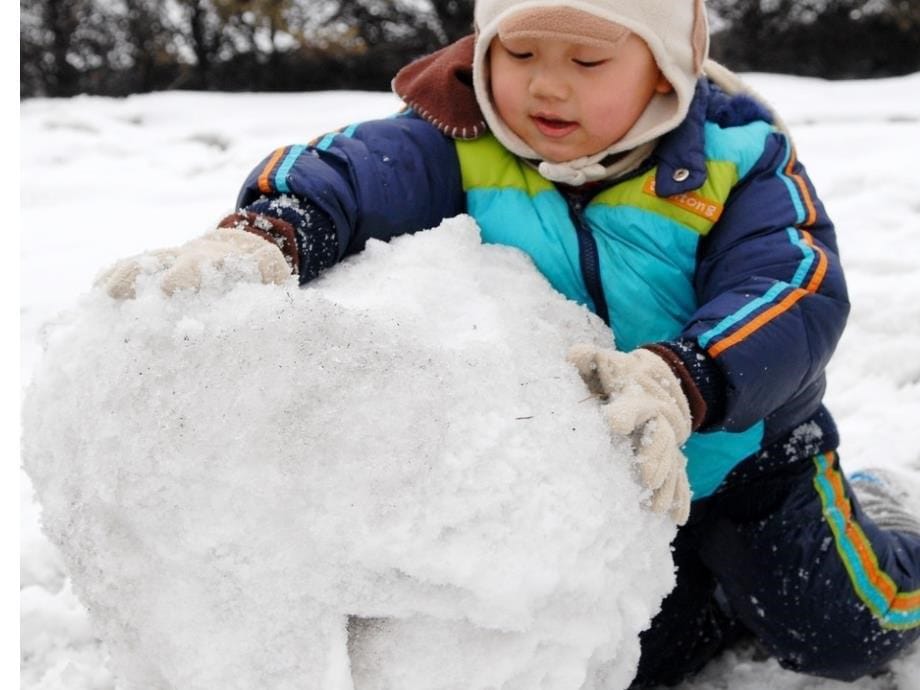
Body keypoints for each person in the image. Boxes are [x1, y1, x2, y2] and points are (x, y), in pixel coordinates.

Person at [98, 0, 920, 685]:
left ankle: (883, 521)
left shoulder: (734, 162)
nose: (545, 83)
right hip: (607, 482)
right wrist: (272, 231)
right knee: (623, 661)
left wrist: (685, 378)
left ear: (667, 68)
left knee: (837, 628)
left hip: (749, 459)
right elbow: (353, 171)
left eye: (589, 61)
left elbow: (795, 288)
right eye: (517, 50)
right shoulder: (460, 144)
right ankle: (707, 594)